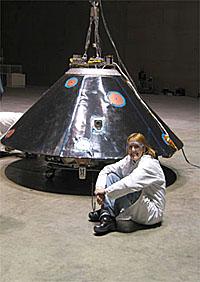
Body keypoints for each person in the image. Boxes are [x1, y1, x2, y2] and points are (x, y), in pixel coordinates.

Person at [89, 132, 166, 235]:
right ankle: (107, 215)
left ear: (144, 149)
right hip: (138, 205)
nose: (133, 150)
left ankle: (108, 212)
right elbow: (106, 170)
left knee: (132, 187)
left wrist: (105, 192)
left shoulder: (149, 164)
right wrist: (99, 188)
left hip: (151, 213)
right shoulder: (129, 160)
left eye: (137, 147)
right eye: (130, 147)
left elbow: (131, 183)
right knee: (112, 176)